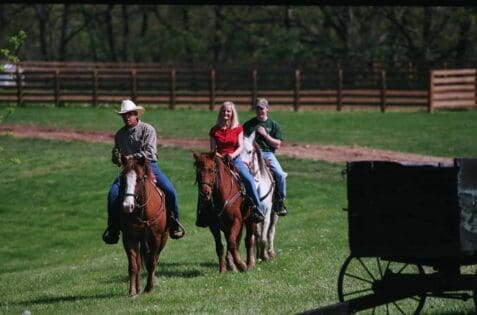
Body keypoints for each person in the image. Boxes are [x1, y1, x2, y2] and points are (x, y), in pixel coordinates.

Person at [102, 99, 185, 244]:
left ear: (136, 114)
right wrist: (116, 158)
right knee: (113, 194)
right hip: (128, 170)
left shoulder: (148, 129)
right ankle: (113, 228)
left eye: (129, 114)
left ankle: (175, 223)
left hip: (149, 166)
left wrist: (130, 157)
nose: (127, 117)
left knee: (170, 191)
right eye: (124, 115)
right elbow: (117, 158)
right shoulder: (119, 135)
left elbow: (151, 153)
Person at [207, 101, 265, 223]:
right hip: (218, 160)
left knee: (248, 179)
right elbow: (212, 149)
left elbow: (240, 146)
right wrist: (220, 156)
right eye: (223, 110)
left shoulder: (238, 128)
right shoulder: (214, 130)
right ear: (220, 112)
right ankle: (203, 213)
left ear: (232, 113)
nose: (226, 113)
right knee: (206, 181)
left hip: (235, 159)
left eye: (228, 111)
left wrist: (231, 155)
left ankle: (258, 208)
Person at [243, 98, 288, 216]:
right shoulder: (248, 125)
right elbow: (243, 142)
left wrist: (265, 135)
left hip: (267, 154)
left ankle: (280, 201)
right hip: (251, 155)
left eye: (262, 108)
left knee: (280, 174)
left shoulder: (273, 125)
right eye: (257, 108)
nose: (259, 111)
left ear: (267, 109)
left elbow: (277, 144)